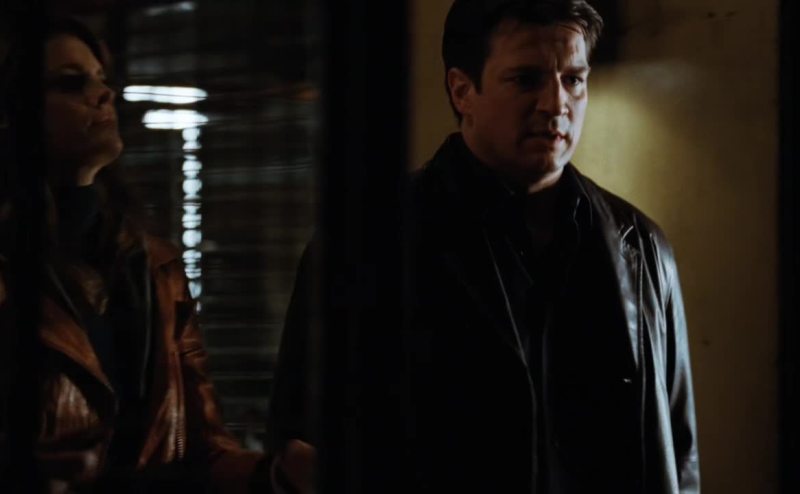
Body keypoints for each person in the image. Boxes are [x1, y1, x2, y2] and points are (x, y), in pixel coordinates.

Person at [271, 0, 700, 492]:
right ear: (462, 90)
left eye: (573, 80)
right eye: (527, 79)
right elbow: (299, 447)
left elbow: (678, 454)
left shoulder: (640, 246)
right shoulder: (369, 244)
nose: (556, 104)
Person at [0, 16, 274, 492]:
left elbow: (202, 447)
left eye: (102, 79)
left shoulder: (155, 269)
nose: (103, 94)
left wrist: (277, 474)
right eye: (72, 83)